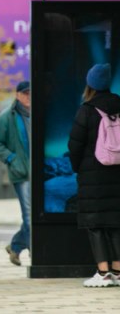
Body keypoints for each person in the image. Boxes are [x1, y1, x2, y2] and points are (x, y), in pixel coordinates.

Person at [67, 63, 120, 287]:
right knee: (116, 223)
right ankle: (118, 271)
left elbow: (75, 145)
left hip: (93, 174)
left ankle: (103, 272)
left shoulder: (87, 110)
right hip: (117, 174)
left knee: (95, 224)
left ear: (90, 85)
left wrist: (78, 167)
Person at [0, 80, 31, 266]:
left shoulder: (39, 113)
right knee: (29, 215)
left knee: (34, 215)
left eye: (31, 93)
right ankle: (36, 252)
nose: (29, 97)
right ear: (17, 95)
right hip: (21, 172)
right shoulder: (7, 116)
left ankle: (16, 246)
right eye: (25, 93)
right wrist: (12, 159)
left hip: (40, 173)